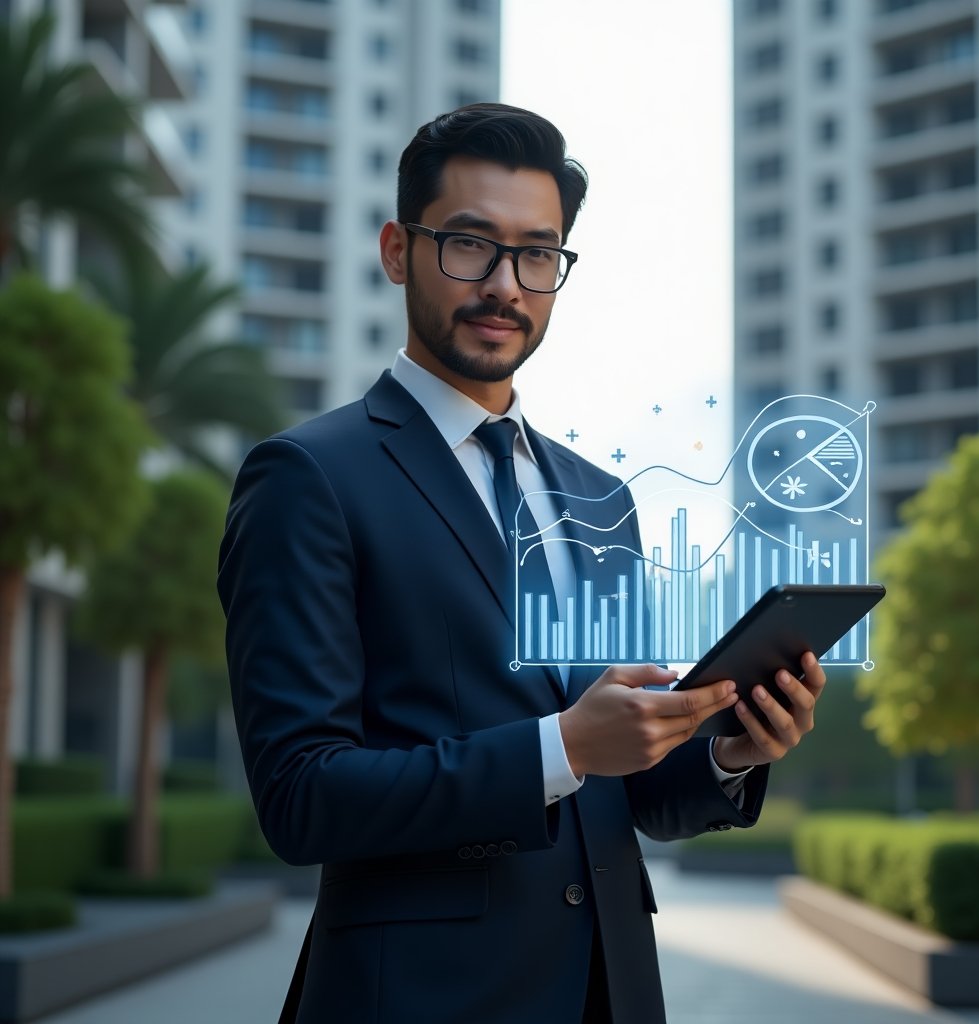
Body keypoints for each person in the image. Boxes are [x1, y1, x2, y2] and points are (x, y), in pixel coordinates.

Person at [217, 103, 826, 1024]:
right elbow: (301, 796)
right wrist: (562, 746)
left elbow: (631, 791)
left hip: (609, 993)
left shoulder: (601, 499)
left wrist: (733, 750)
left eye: (538, 255)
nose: (505, 285)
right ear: (397, 251)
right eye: (470, 245)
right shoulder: (309, 477)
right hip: (416, 1001)